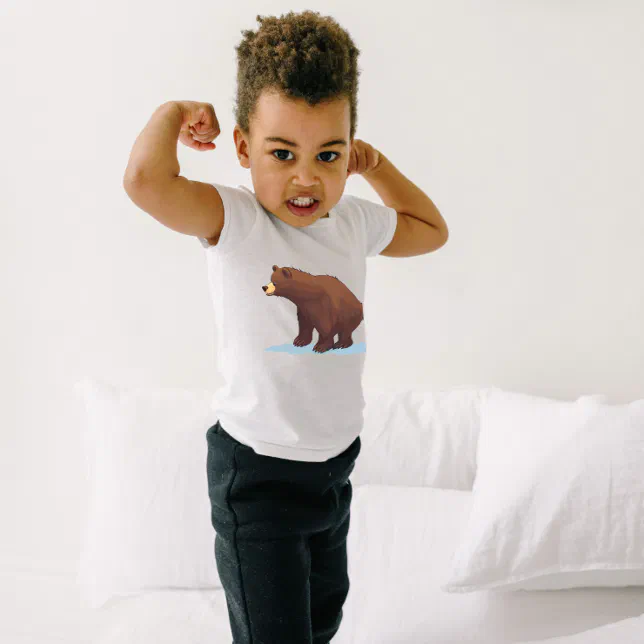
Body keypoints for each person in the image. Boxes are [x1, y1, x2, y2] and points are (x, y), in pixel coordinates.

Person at [123, 9, 448, 643]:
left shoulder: (351, 221)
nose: (306, 177)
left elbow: (432, 232)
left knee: (320, 623)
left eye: (328, 154)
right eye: (281, 153)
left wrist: (374, 167)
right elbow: (144, 181)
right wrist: (171, 113)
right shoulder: (236, 220)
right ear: (243, 148)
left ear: (348, 148)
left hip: (333, 470)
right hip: (259, 477)